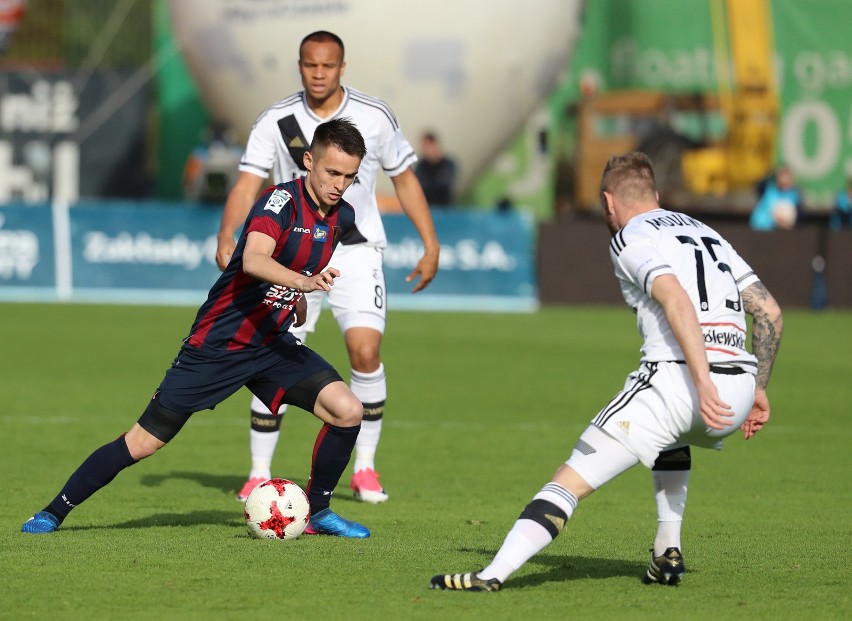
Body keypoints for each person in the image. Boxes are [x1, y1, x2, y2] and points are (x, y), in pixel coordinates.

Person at [431, 151, 783, 591]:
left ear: (608, 202)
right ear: (655, 195)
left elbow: (675, 299)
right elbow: (769, 311)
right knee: (671, 438)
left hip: (683, 384)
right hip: (737, 394)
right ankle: (666, 551)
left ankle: (491, 574)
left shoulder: (631, 236)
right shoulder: (706, 232)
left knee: (572, 477)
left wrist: (700, 379)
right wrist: (758, 390)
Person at [22, 118, 373, 538]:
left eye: (349, 177)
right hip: (218, 344)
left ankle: (318, 512)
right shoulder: (279, 202)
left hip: (271, 344)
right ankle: (54, 510)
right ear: (309, 160)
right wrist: (303, 284)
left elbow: (294, 264)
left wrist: (294, 298)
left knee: (347, 410)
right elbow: (254, 260)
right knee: (144, 442)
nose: (339, 184)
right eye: (332, 172)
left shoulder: (342, 216)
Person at [218, 31, 440, 505]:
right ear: (300, 66)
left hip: (356, 252)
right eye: (310, 65)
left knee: (365, 352)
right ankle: (259, 472)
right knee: (275, 351)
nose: (318, 74)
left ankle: (364, 468)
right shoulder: (275, 120)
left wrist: (430, 243)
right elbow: (246, 185)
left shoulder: (374, 116)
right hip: (291, 254)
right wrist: (227, 232)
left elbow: (405, 179)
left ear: (342, 67)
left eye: (328, 66)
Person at [750, 164, 804, 231]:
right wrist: (772, 173)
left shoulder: (794, 195)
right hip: (761, 228)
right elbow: (759, 184)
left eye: (786, 176)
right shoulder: (768, 189)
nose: (784, 179)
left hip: (782, 232)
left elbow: (800, 216)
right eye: (782, 175)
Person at [414, 131, 457, 207]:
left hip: (446, 208)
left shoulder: (448, 164)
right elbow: (420, 186)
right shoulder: (420, 166)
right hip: (427, 207)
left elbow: (446, 185)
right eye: (424, 147)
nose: (425, 150)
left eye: (428, 146)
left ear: (435, 145)